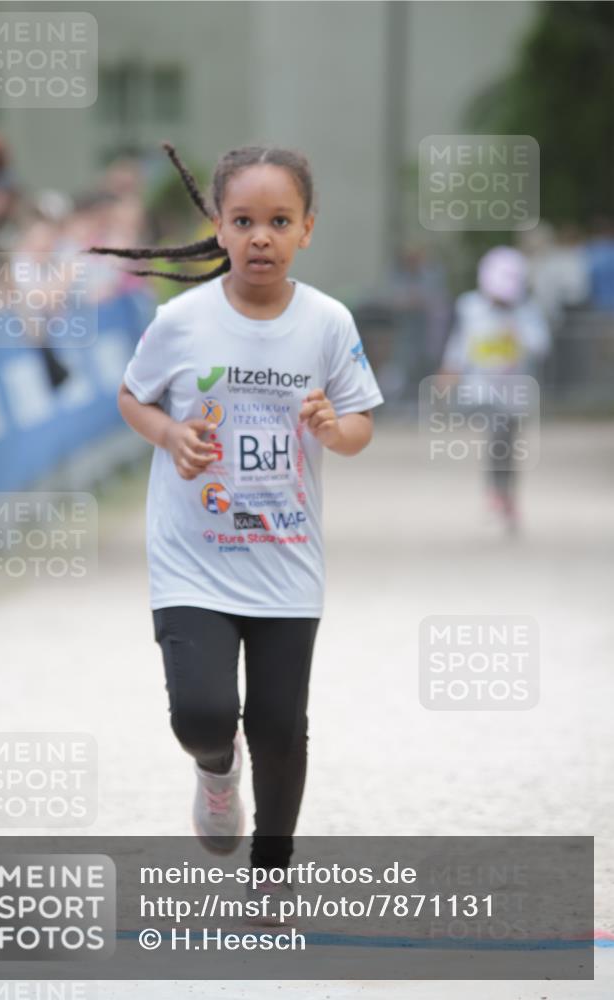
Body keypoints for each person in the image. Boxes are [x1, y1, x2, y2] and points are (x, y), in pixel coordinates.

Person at [89, 143, 384, 922]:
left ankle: (272, 873)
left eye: (279, 221)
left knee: (282, 727)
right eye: (244, 220)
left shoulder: (328, 323)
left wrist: (333, 422)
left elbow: (358, 429)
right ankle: (217, 776)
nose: (261, 236)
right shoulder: (180, 322)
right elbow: (131, 396)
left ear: (306, 231)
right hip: (194, 559)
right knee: (203, 716)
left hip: (286, 560)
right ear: (218, 227)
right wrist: (168, 436)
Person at [439, 246, 550, 534]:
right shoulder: (470, 306)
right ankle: (497, 492)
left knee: (506, 443)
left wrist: (518, 331)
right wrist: (449, 369)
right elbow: (461, 342)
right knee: (499, 434)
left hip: (514, 390)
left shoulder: (526, 311)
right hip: (481, 388)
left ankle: (505, 494)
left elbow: (541, 345)